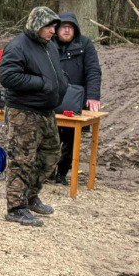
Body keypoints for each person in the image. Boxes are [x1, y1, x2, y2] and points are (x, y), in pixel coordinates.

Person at [0, 6, 68, 227]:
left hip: (46, 111)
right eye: (49, 27)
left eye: (54, 27)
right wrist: (42, 84)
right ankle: (16, 207)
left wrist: (60, 84)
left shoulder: (49, 46)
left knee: (51, 154)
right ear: (37, 26)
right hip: (23, 111)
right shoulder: (18, 46)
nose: (53, 31)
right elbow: (8, 77)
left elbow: (55, 74)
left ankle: (30, 195)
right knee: (22, 160)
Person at [52, 12, 102, 185]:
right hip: (51, 98)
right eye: (63, 27)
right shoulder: (48, 44)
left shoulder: (85, 44)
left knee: (71, 138)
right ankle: (48, 171)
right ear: (57, 29)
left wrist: (93, 96)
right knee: (48, 136)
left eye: (70, 27)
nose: (66, 30)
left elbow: (93, 70)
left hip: (75, 100)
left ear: (75, 29)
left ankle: (62, 173)